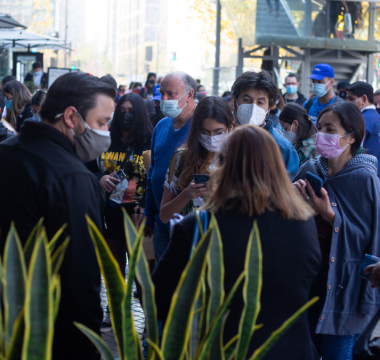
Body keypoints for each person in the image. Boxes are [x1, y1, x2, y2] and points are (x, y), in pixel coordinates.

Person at [153, 125, 321, 360]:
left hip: (222, 350)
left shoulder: (196, 227)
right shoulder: (304, 223)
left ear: (222, 168)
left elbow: (158, 302)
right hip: (294, 350)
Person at [0, 72, 115, 360]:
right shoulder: (73, 178)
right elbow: (81, 276)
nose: (105, 132)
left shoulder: (6, 152)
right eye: (101, 122)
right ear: (71, 117)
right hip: (50, 335)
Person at [293, 101, 380, 360]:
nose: (321, 135)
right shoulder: (310, 169)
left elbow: (372, 242)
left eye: (330, 129)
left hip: (345, 290)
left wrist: (329, 215)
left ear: (351, 136)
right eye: (319, 128)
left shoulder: (365, 179)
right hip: (306, 283)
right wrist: (294, 200)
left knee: (337, 354)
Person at [86, 92, 153, 330]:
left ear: (140, 114)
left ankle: (148, 322)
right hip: (110, 215)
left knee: (140, 273)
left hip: (138, 216)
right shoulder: (105, 139)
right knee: (113, 270)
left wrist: (146, 205)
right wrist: (99, 178)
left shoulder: (149, 141)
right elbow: (85, 168)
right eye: (121, 111)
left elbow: (157, 178)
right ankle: (114, 312)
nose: (125, 116)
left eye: (131, 111)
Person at [143, 71, 196, 263]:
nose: (164, 99)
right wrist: (150, 215)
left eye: (171, 94)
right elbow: (153, 174)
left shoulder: (202, 127)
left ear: (189, 94)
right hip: (161, 223)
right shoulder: (161, 126)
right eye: (162, 93)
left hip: (190, 226)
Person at [160, 96, 233, 223]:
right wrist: (187, 194)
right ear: (196, 130)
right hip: (192, 239)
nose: (211, 138)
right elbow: (164, 216)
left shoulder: (240, 160)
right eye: (204, 132)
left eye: (218, 132)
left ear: (230, 127)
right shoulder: (181, 158)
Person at [232, 70, 299, 176]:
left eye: (260, 102)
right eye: (246, 100)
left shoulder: (283, 148)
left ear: (268, 108)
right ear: (235, 102)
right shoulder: (223, 139)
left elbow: (289, 189)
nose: (253, 107)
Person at [346, 82, 380, 175]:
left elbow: (354, 151)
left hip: (361, 172)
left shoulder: (361, 120)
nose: (347, 103)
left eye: (351, 99)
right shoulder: (377, 117)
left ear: (364, 99)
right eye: (347, 99)